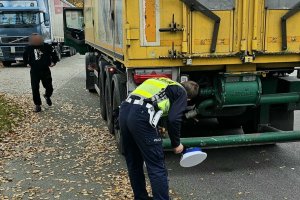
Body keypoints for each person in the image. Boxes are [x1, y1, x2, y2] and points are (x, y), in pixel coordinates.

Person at [119, 77, 199, 200]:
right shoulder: (182, 93)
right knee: (156, 165)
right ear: (189, 99)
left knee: (134, 162)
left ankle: (140, 197)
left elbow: (157, 103)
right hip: (141, 115)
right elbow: (174, 119)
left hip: (125, 110)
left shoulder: (163, 82)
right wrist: (176, 144)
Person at [23, 33, 59, 112]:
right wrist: (27, 63)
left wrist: (54, 62)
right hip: (34, 70)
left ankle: (47, 95)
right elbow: (25, 55)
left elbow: (54, 54)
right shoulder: (29, 47)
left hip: (45, 69)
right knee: (35, 88)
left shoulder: (46, 46)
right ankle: (37, 105)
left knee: (49, 87)